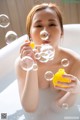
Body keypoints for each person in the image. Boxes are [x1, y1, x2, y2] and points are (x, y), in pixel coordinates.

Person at [15, 3, 80, 120]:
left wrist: (76, 91)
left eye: (52, 24)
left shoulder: (75, 62)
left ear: (62, 31)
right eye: (38, 26)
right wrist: (31, 66)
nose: (45, 32)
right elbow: (30, 108)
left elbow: (58, 108)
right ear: (30, 35)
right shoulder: (22, 63)